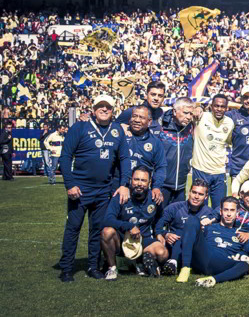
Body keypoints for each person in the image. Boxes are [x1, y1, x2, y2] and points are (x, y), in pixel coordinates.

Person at [58, 94, 132, 282]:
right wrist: (70, 184)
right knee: (73, 228)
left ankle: (93, 266)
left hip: (103, 190)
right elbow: (66, 156)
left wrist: (124, 184)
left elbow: (124, 159)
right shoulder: (80, 127)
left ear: (113, 110)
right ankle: (66, 268)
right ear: (93, 109)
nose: (105, 109)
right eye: (101, 106)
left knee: (97, 230)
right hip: (80, 189)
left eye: (108, 106)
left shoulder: (117, 130)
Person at [175, 197, 249, 288]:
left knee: (244, 265)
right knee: (192, 220)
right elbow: (190, 237)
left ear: (237, 213)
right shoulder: (209, 228)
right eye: (226, 210)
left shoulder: (239, 235)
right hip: (205, 255)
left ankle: (213, 279)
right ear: (221, 211)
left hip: (221, 263)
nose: (229, 214)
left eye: (232, 210)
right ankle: (185, 267)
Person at [101, 167, 168, 280]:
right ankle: (112, 268)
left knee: (162, 253)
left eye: (143, 180)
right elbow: (107, 219)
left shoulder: (154, 197)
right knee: (107, 232)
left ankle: (138, 262)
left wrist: (158, 232)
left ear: (149, 182)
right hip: (123, 240)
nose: (139, 184)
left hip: (143, 240)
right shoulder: (121, 196)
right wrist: (129, 226)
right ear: (131, 180)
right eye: (136, 179)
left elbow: (160, 215)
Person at [155, 180, 215, 275]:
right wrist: (165, 234)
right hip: (175, 244)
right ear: (189, 192)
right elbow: (158, 225)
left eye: (200, 194)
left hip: (196, 250)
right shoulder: (175, 207)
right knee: (179, 231)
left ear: (206, 197)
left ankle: (172, 262)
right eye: (194, 192)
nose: (196, 196)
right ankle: (172, 262)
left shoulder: (209, 213)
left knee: (185, 229)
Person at [191, 94, 234, 209]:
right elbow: (184, 110)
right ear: (211, 106)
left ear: (226, 108)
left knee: (219, 209)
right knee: (198, 209)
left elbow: (230, 141)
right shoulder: (201, 117)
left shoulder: (229, 123)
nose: (219, 109)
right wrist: (196, 107)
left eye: (222, 106)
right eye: (216, 106)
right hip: (200, 170)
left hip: (219, 172)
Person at [152, 96, 194, 209]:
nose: (189, 117)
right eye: (185, 113)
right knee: (158, 222)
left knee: (177, 223)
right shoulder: (160, 125)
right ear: (175, 111)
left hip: (181, 185)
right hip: (162, 185)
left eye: (191, 113)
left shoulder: (191, 127)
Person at [120, 106, 167, 205]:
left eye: (141, 117)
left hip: (142, 192)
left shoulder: (156, 143)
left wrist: (156, 187)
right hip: (120, 189)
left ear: (149, 122)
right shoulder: (120, 136)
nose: (137, 120)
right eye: (134, 116)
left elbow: (161, 167)